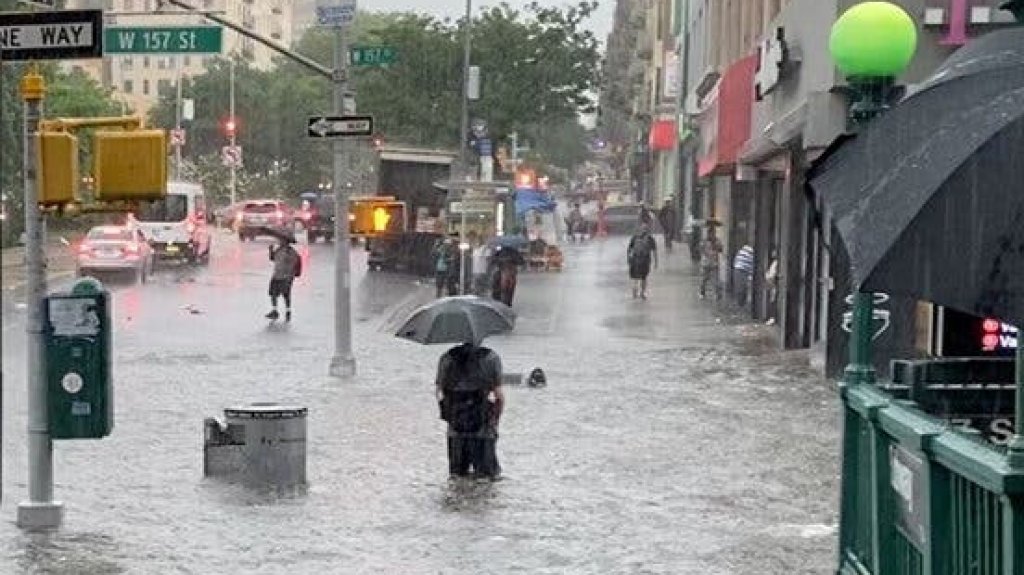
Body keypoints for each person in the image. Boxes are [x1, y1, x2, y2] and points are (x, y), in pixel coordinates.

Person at [435, 342, 505, 479]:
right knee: (487, 480)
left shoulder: (447, 358)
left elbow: (439, 392)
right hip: (483, 429)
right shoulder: (491, 358)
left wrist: (450, 415)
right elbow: (499, 397)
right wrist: (496, 420)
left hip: (455, 429)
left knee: (457, 478)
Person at [266, 236, 301, 321]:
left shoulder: (291, 252)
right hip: (276, 275)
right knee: (273, 293)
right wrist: (271, 250)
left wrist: (289, 275)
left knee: (286, 294)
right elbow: (273, 258)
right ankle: (274, 310)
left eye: (281, 240)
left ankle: (288, 310)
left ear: (286, 241)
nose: (280, 242)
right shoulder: (278, 250)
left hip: (286, 277)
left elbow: (294, 264)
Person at [627, 224, 658, 299]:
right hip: (645, 260)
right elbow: (654, 251)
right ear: (648, 230)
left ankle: (634, 290)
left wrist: (628, 259)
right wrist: (656, 262)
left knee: (635, 278)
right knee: (644, 278)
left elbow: (629, 249)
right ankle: (642, 293)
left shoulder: (635, 237)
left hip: (635, 260)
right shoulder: (650, 238)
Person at [699, 227, 724, 300]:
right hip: (705, 263)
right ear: (708, 233)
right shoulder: (704, 241)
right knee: (704, 279)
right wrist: (707, 252)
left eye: (714, 233)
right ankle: (702, 293)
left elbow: (721, 249)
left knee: (716, 280)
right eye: (711, 233)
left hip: (714, 263)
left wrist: (717, 247)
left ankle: (717, 294)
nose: (712, 235)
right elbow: (701, 249)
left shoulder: (717, 241)